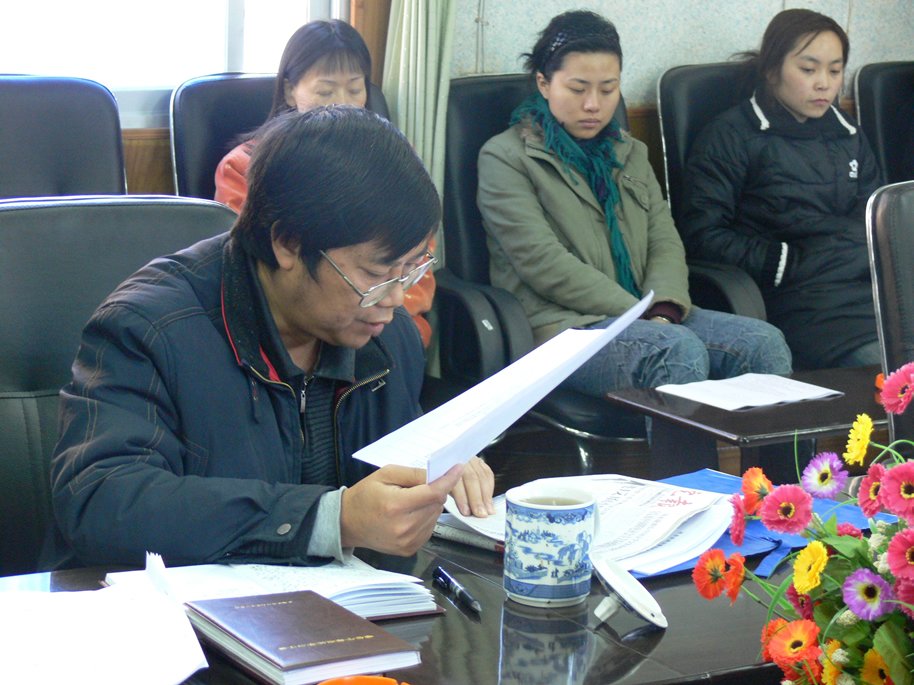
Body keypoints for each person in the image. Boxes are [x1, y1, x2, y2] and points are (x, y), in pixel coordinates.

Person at [47, 106, 494, 570]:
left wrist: (437, 469)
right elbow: (100, 501)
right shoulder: (148, 328)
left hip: (344, 603)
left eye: (411, 267)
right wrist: (330, 519)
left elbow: (390, 465)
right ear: (288, 244)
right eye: (377, 272)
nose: (397, 298)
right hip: (177, 609)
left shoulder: (385, 333)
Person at [477, 10, 792, 401]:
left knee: (763, 343)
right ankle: (678, 447)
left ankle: (764, 449)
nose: (593, 104)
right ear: (544, 83)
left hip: (648, 318)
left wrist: (663, 309)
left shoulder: (629, 152)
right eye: (578, 89)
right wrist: (640, 312)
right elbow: (542, 262)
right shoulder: (506, 158)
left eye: (608, 89)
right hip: (563, 333)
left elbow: (664, 241)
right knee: (674, 351)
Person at [679, 9, 882, 370]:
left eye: (835, 71)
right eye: (808, 69)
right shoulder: (730, 135)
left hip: (869, 293)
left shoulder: (848, 134)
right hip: (795, 301)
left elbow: (876, 219)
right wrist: (782, 262)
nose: (824, 84)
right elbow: (701, 234)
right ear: (772, 70)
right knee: (893, 373)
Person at [214, 19, 436, 347]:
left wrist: (389, 311)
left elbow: (416, 261)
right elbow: (251, 270)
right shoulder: (242, 166)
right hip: (299, 327)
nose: (342, 102)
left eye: (355, 89)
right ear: (289, 91)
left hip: (389, 325)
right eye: (325, 91)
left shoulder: (395, 163)